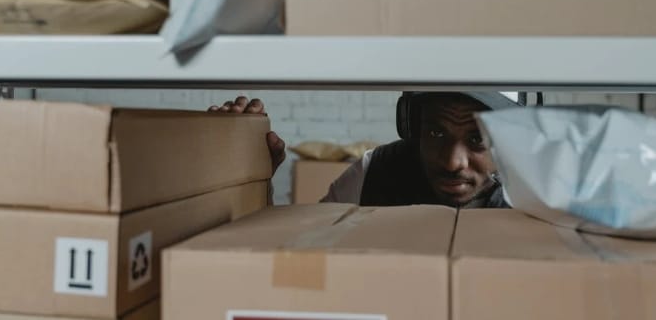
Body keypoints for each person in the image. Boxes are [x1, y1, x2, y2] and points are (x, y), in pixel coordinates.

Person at [210, 92, 519, 208]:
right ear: (413, 126)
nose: (453, 162)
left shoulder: (538, 196)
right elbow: (294, 255)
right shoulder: (377, 172)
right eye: (436, 132)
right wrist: (256, 179)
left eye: (477, 139)